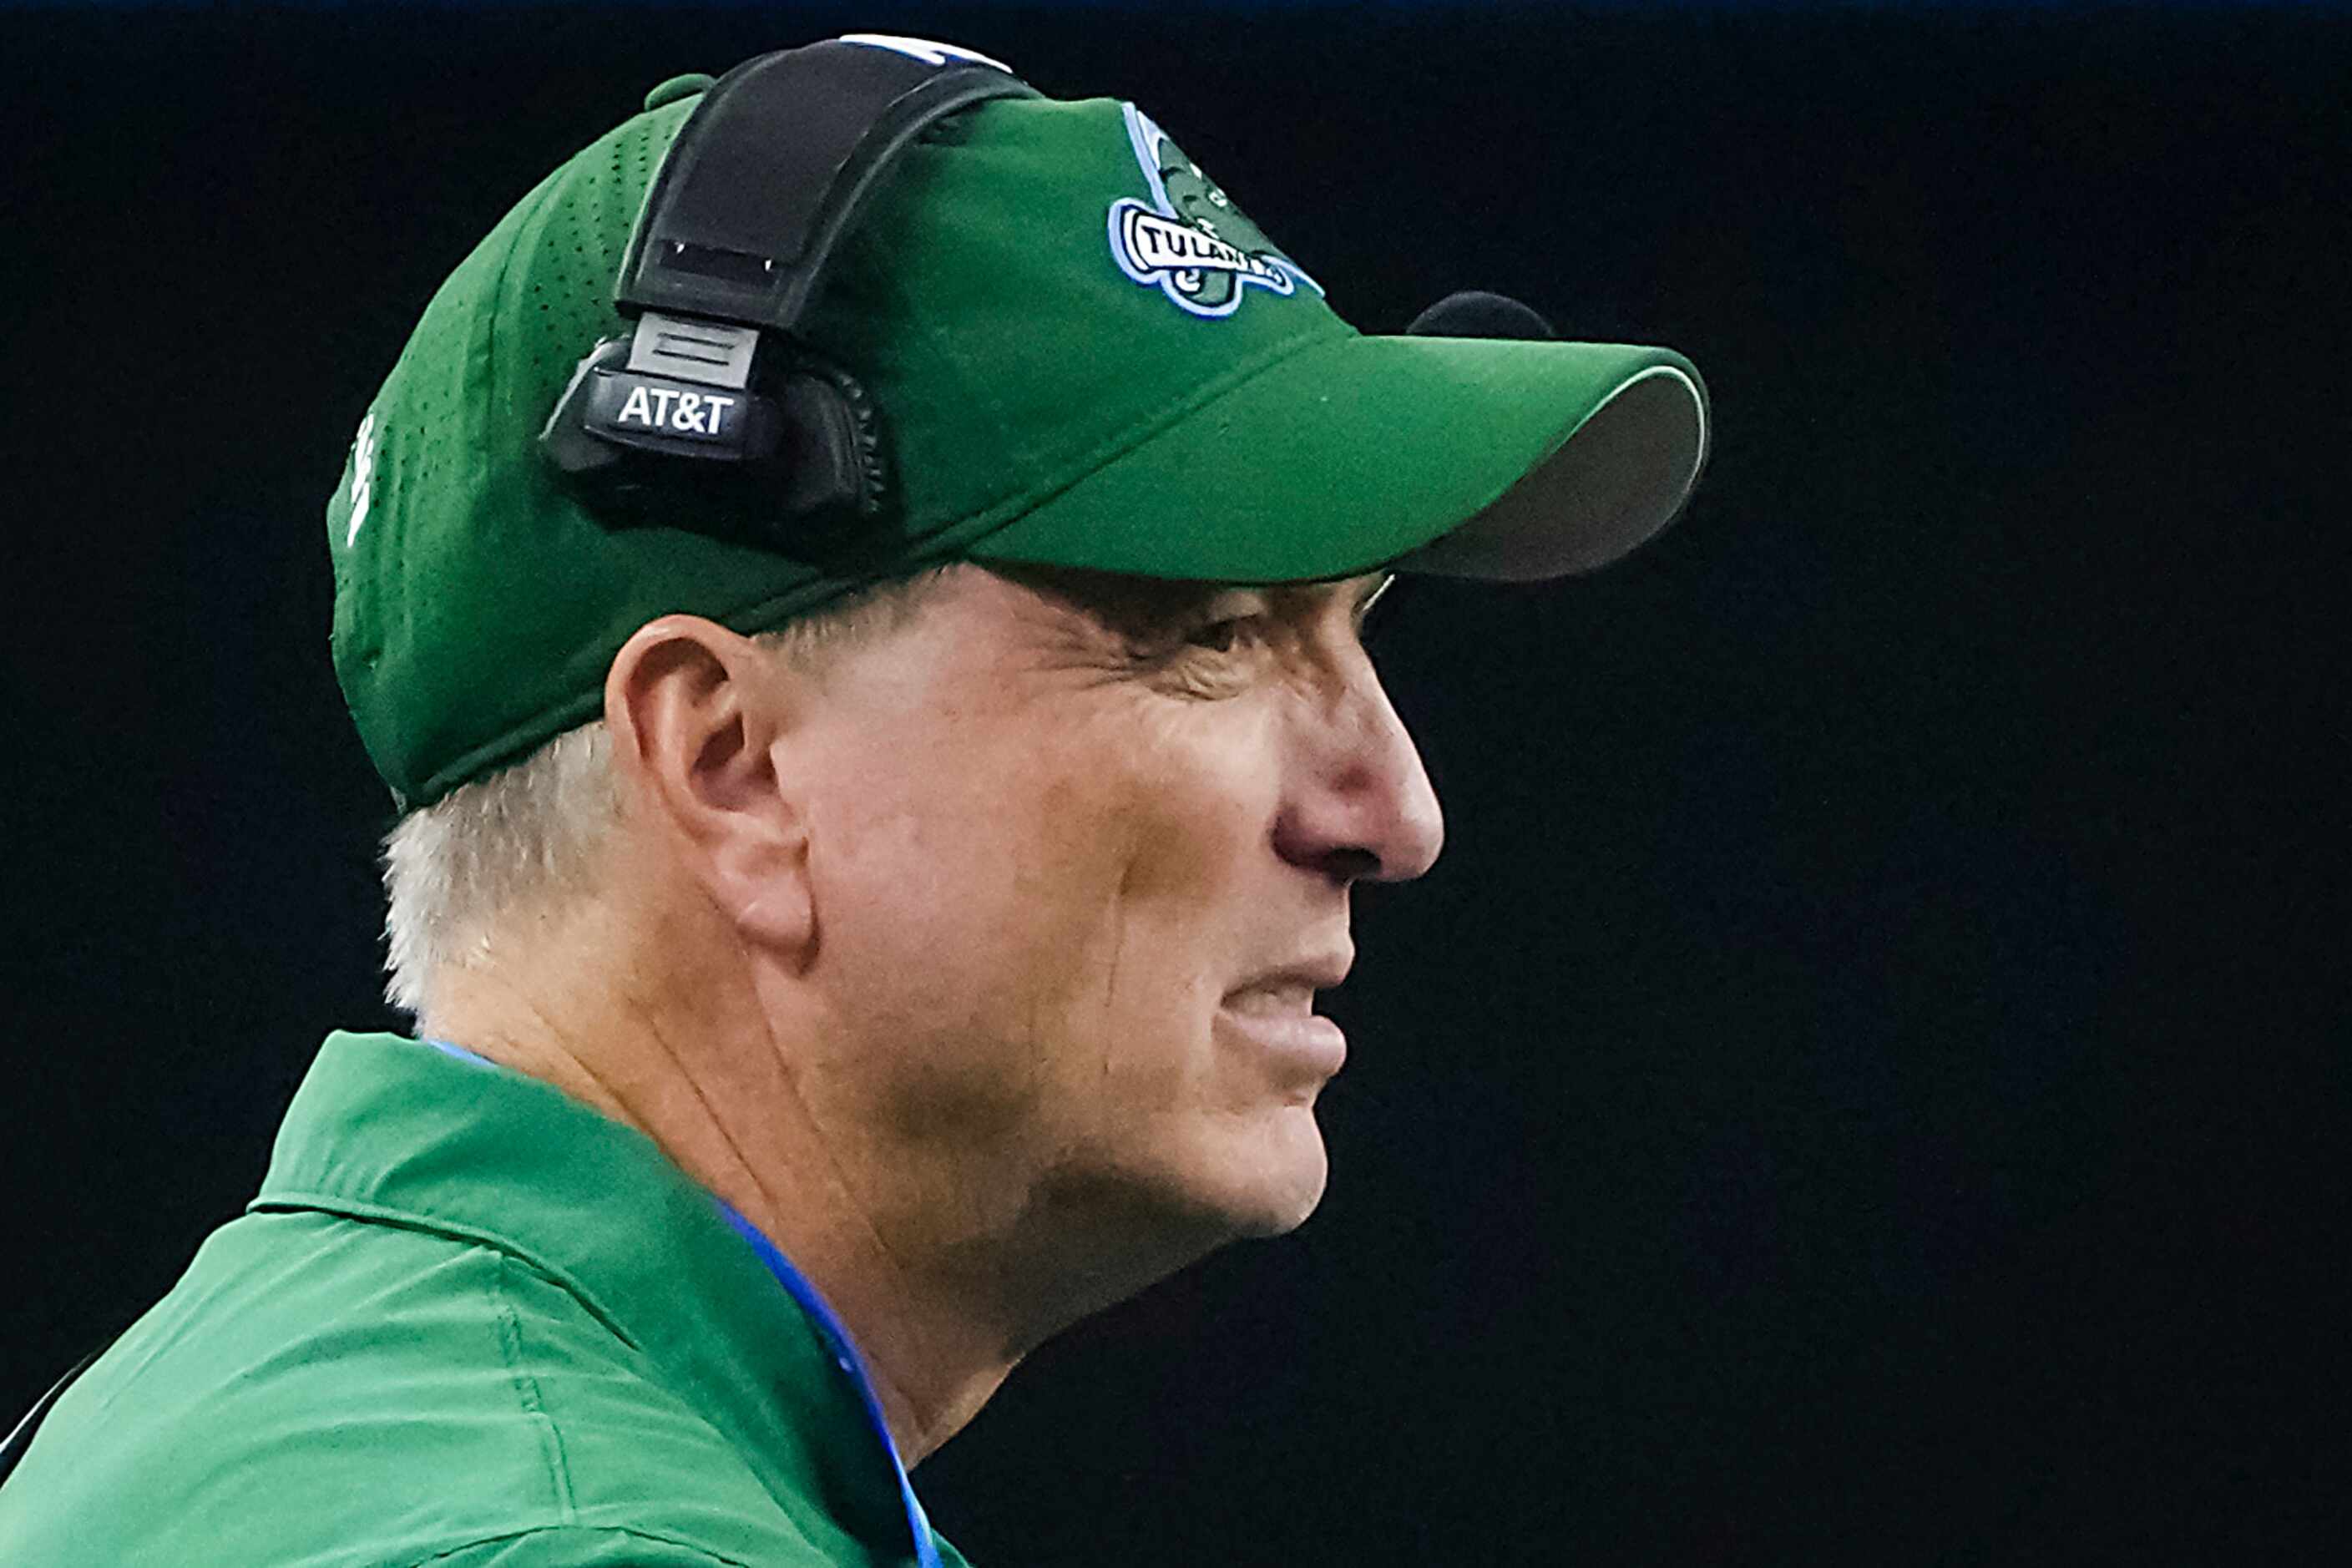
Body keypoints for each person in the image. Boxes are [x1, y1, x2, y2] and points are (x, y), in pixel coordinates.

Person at [0, 33, 1707, 1567]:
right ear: (729, 767)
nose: (1390, 811)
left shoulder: (312, 1417)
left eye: (1357, 631)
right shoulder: (565, 1539)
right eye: (1209, 634)